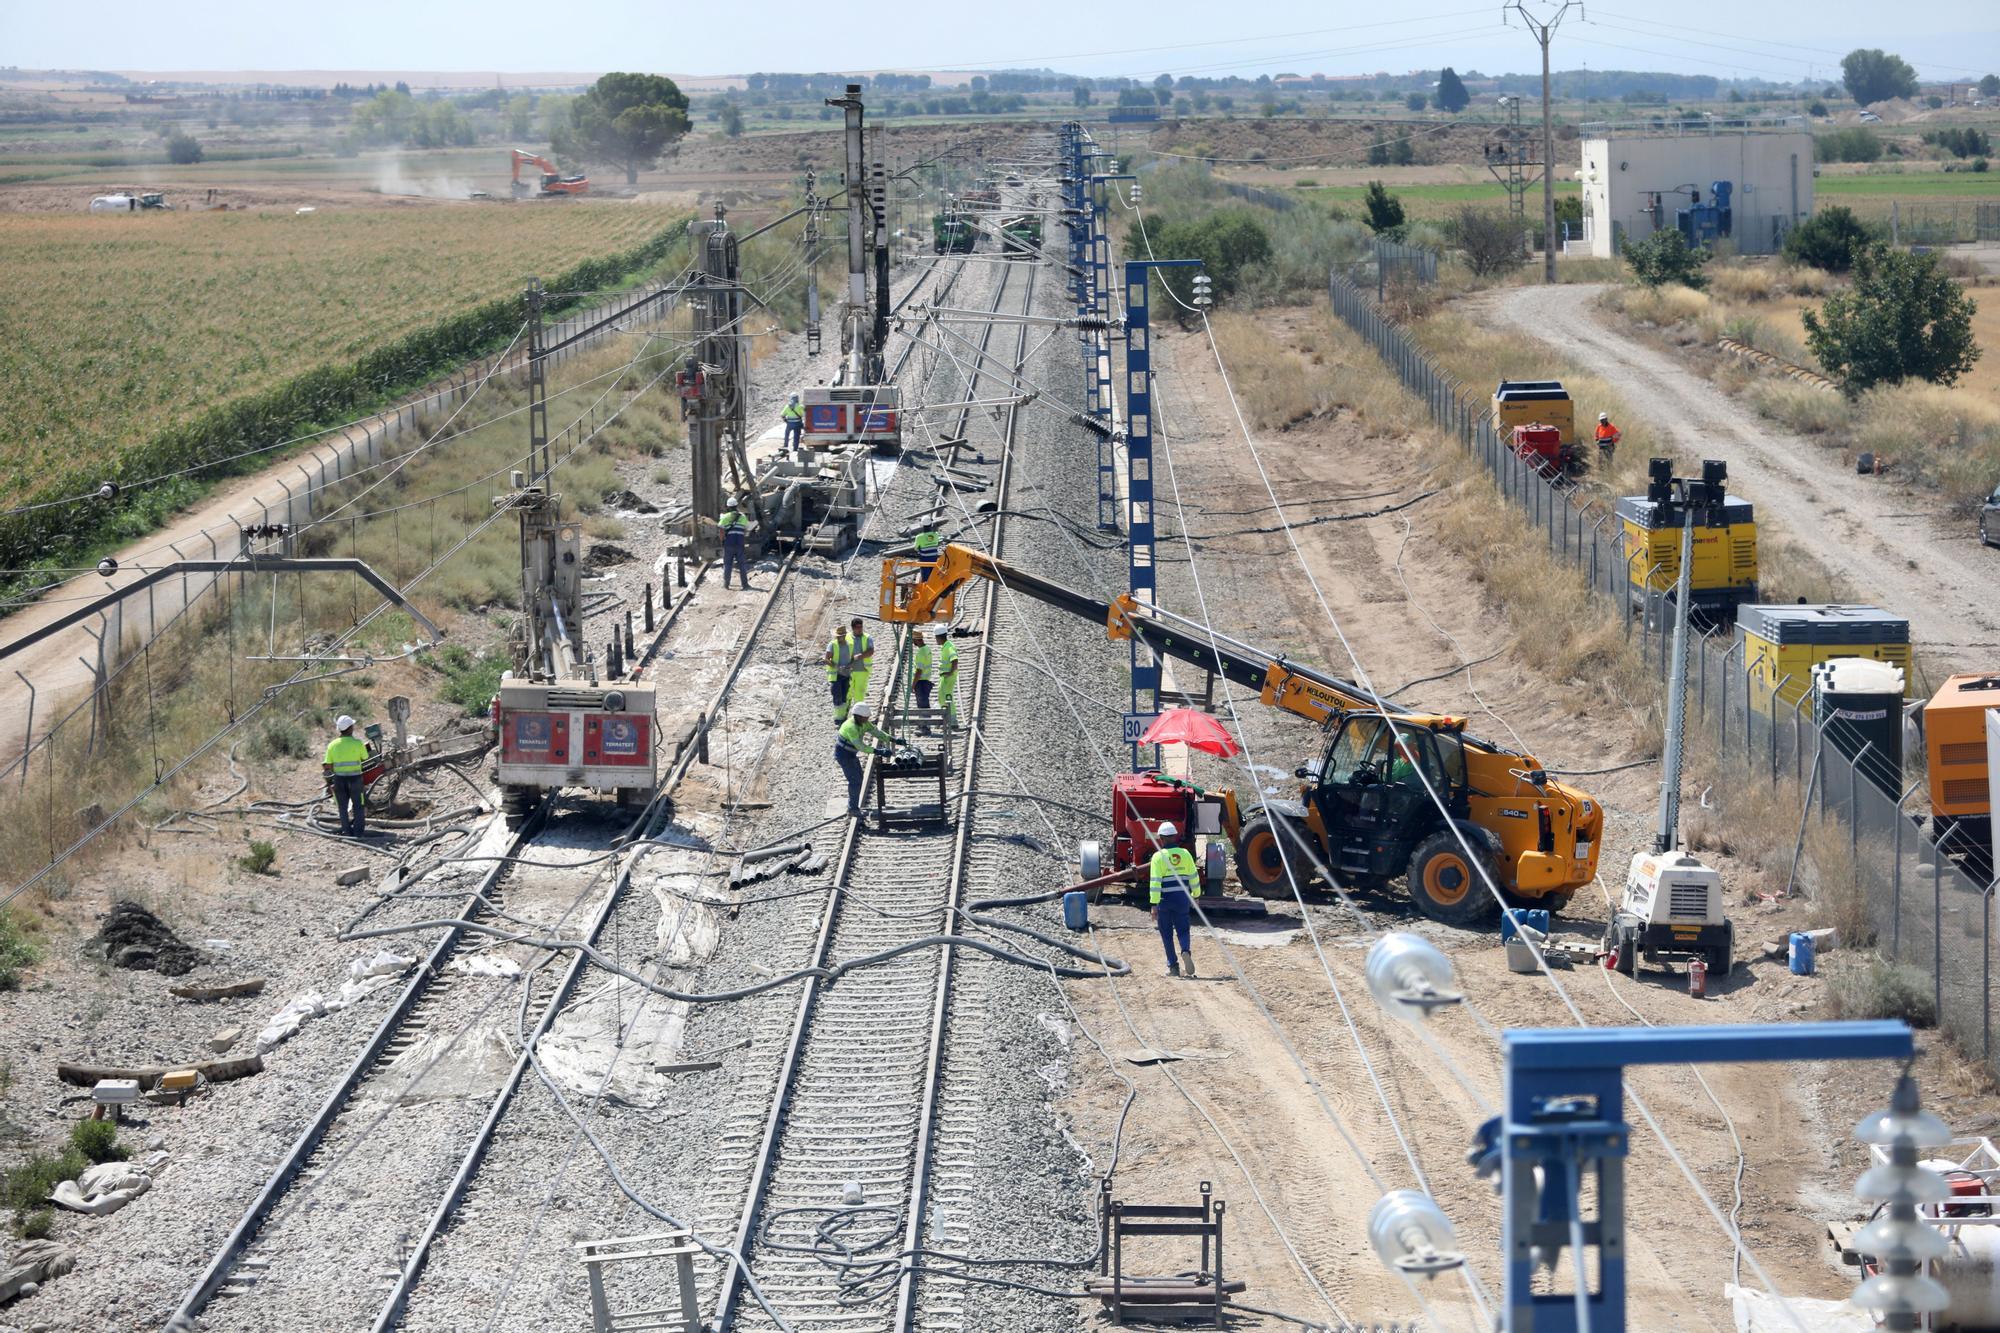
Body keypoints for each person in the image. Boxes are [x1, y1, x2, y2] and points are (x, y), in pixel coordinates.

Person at [1148, 822, 1201, 977]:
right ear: (1175, 836)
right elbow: (1194, 876)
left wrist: (1153, 904)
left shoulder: (1158, 857)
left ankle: (1173, 966)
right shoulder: (1185, 854)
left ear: (1161, 839)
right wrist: (1196, 895)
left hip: (1165, 900)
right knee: (1183, 929)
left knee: (1166, 933)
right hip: (1182, 899)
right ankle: (1185, 950)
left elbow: (1156, 882)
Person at [835, 702, 899, 816]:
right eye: (866, 717)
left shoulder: (863, 723)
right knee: (855, 781)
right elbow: (860, 746)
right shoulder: (851, 727)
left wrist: (894, 739)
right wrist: (878, 751)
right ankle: (852, 809)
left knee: (859, 778)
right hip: (844, 755)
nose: (867, 719)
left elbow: (877, 733)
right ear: (858, 716)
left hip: (851, 755)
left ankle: (853, 806)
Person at [322, 715, 371, 838]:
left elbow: (327, 765)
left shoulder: (332, 745)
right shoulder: (357, 744)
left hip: (339, 780)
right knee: (358, 806)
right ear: (350, 728)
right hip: (355, 779)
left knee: (342, 807)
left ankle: (346, 832)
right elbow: (366, 758)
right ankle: (358, 833)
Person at [717, 499, 753, 591]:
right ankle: (745, 585)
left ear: (728, 507)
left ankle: (726, 584)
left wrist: (722, 540)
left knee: (728, 564)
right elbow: (747, 529)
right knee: (742, 564)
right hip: (739, 544)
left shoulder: (725, 517)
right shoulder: (743, 516)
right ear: (737, 506)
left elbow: (721, 530)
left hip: (729, 544)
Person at [824, 623, 857, 722]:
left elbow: (853, 658)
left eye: (840, 636)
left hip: (846, 675)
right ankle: (838, 718)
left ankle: (842, 716)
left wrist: (850, 665)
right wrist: (837, 667)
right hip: (836, 676)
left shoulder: (850, 645)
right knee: (837, 695)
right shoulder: (832, 645)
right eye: (837, 636)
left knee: (844, 696)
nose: (838, 638)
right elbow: (826, 659)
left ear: (844, 636)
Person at [843, 616, 875, 719]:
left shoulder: (867, 637)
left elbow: (870, 651)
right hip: (849, 670)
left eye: (861, 627)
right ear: (852, 628)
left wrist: (859, 656)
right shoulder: (846, 637)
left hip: (862, 670)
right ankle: (844, 714)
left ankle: (857, 716)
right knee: (847, 693)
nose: (860, 629)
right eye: (857, 627)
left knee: (859, 693)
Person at [934, 632, 958, 728]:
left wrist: (950, 672)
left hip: (948, 677)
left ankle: (952, 721)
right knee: (942, 696)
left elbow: (955, 659)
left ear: (939, 637)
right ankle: (945, 718)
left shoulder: (948, 647)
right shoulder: (945, 646)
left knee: (947, 697)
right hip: (945, 677)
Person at [912, 630, 933, 711]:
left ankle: (924, 723)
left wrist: (913, 685)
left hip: (921, 683)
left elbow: (919, 671)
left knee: (923, 708)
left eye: (913, 639)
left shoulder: (920, 652)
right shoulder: (927, 648)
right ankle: (925, 722)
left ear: (916, 640)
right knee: (925, 705)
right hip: (926, 682)